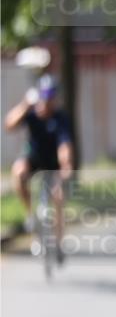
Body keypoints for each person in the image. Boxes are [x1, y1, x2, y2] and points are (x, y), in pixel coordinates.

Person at [4, 75, 74, 259]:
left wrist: (66, 166)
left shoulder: (60, 119)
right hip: (33, 157)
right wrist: (25, 105)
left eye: (51, 98)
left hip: (53, 162)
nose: (48, 102)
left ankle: (59, 243)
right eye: (45, 97)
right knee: (18, 171)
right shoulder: (31, 113)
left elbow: (64, 146)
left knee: (58, 197)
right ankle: (30, 215)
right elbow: (9, 124)